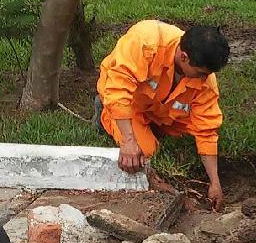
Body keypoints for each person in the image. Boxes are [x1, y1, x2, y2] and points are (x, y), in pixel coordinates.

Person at [96, 21, 230, 209]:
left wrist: (214, 182)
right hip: (130, 102)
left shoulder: (205, 78)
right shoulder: (145, 42)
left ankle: (152, 125)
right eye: (200, 73)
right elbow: (118, 90)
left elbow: (206, 128)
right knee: (145, 151)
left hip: (162, 107)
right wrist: (128, 142)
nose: (203, 79)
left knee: (189, 129)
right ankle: (107, 115)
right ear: (184, 57)